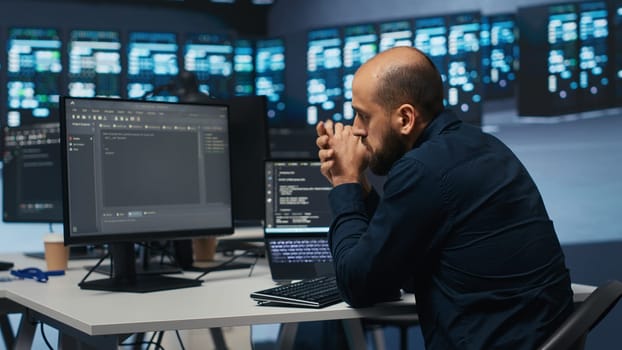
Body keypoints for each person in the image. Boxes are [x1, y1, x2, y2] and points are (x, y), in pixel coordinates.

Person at [315, 46, 573, 349]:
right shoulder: (483, 146)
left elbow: (357, 286)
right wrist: (360, 187)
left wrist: (345, 182)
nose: (356, 130)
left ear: (405, 118)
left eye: (363, 115)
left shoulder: (422, 169)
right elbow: (400, 265)